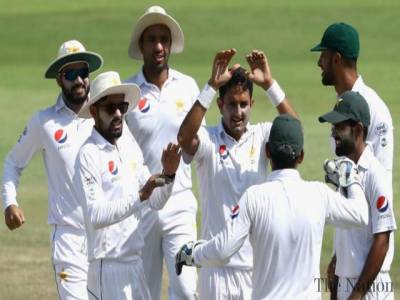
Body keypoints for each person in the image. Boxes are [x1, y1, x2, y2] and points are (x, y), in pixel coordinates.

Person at [175, 114, 370, 300]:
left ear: (267, 152)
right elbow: (361, 215)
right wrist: (350, 177)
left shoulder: (254, 198)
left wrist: (193, 254)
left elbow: (223, 250)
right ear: (301, 156)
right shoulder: (319, 194)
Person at [177, 48, 296, 299]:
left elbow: (295, 134)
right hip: (215, 271)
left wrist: (270, 85)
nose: (238, 112)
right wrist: (210, 86)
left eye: (243, 104)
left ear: (252, 104)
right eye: (231, 104)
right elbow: (184, 138)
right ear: (220, 105)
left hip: (255, 269)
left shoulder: (263, 135)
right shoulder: (208, 139)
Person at [1, 40, 102, 299]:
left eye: (83, 72)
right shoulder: (44, 122)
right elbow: (13, 163)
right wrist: (9, 203)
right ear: (59, 79)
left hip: (106, 234)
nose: (78, 80)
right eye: (70, 74)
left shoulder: (106, 113)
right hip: (67, 235)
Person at [75, 71, 181, 300]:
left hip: (135, 264)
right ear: (94, 111)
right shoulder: (88, 154)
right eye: (110, 108)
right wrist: (140, 195)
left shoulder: (128, 144)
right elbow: (95, 215)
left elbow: (155, 200)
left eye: (121, 107)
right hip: (107, 267)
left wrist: (168, 175)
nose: (117, 114)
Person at [124, 5, 200, 299]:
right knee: (145, 292)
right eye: (152, 39)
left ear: (170, 45)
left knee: (185, 288)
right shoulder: (130, 93)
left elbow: (197, 145)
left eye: (164, 40)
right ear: (141, 45)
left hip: (179, 202)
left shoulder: (188, 86)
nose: (158, 46)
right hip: (143, 204)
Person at [318, 91, 397, 300]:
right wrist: (337, 265)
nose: (333, 133)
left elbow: (382, 239)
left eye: (340, 127)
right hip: (347, 283)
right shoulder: (345, 169)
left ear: (358, 129)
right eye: (333, 127)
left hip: (370, 289)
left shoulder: (374, 174)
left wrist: (356, 295)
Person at [310, 22, 393, 181]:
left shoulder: (374, 108)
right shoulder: (342, 102)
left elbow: (383, 177)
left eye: (323, 55)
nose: (319, 62)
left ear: (336, 59)